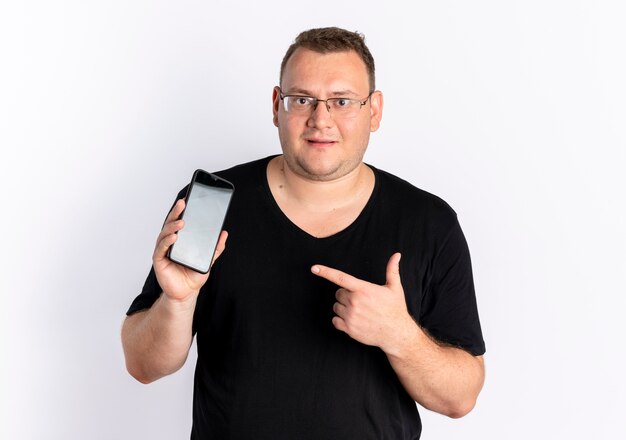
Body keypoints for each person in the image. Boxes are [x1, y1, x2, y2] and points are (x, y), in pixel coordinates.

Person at [122, 27, 485, 439]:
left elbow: (461, 398)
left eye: (342, 101)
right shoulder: (212, 206)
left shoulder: (429, 222)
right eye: (302, 100)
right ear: (277, 105)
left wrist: (399, 336)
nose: (320, 119)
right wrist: (176, 300)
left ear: (375, 110)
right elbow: (143, 365)